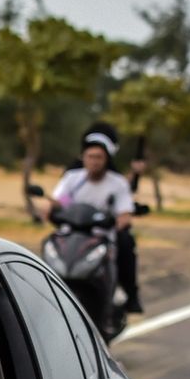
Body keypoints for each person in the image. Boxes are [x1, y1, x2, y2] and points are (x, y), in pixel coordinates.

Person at [44, 122, 144, 313]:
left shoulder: (117, 183)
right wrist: (52, 207)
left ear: (107, 158)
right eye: (90, 156)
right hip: (72, 236)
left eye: (99, 157)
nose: (94, 161)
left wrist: (118, 222)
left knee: (126, 242)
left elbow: (124, 214)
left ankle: (130, 294)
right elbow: (60, 202)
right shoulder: (73, 179)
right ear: (83, 157)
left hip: (101, 237)